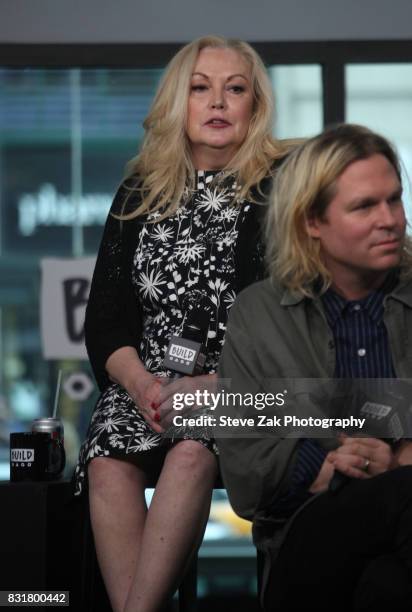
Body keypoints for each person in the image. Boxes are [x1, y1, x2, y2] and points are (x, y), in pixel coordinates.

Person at [73, 35, 292, 612]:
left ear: (255, 107)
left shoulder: (281, 191)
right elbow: (105, 325)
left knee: (192, 450)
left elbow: (290, 322)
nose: (218, 102)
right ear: (179, 102)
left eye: (235, 89)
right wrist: (144, 385)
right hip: (144, 387)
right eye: (201, 88)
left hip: (242, 387)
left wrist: (213, 385)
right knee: (107, 456)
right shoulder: (140, 192)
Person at [216, 124, 412, 611]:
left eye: (395, 200)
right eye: (365, 206)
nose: (390, 220)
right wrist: (328, 464)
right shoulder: (257, 314)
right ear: (312, 222)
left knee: (388, 584)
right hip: (310, 531)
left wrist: (395, 463)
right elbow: (245, 473)